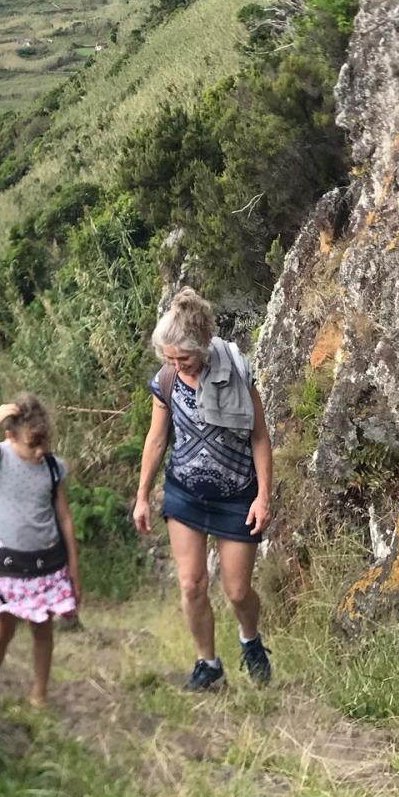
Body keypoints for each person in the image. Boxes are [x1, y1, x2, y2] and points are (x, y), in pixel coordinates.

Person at [133, 287, 273, 690]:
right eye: (171, 358)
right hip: (185, 493)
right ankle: (208, 663)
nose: (179, 365)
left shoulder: (238, 372)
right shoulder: (168, 380)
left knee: (237, 590)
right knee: (192, 584)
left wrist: (264, 496)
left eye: (185, 358)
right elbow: (157, 440)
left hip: (236, 496)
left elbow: (260, 438)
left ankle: (250, 639)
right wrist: (143, 496)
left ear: (205, 347)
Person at [0, 393, 81, 713]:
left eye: (44, 442)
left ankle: (40, 694)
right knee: (0, 631)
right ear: (10, 436)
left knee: (43, 629)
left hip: (46, 562)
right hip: (7, 562)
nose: (39, 451)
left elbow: (64, 516)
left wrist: (74, 568)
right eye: (31, 444)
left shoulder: (53, 467)